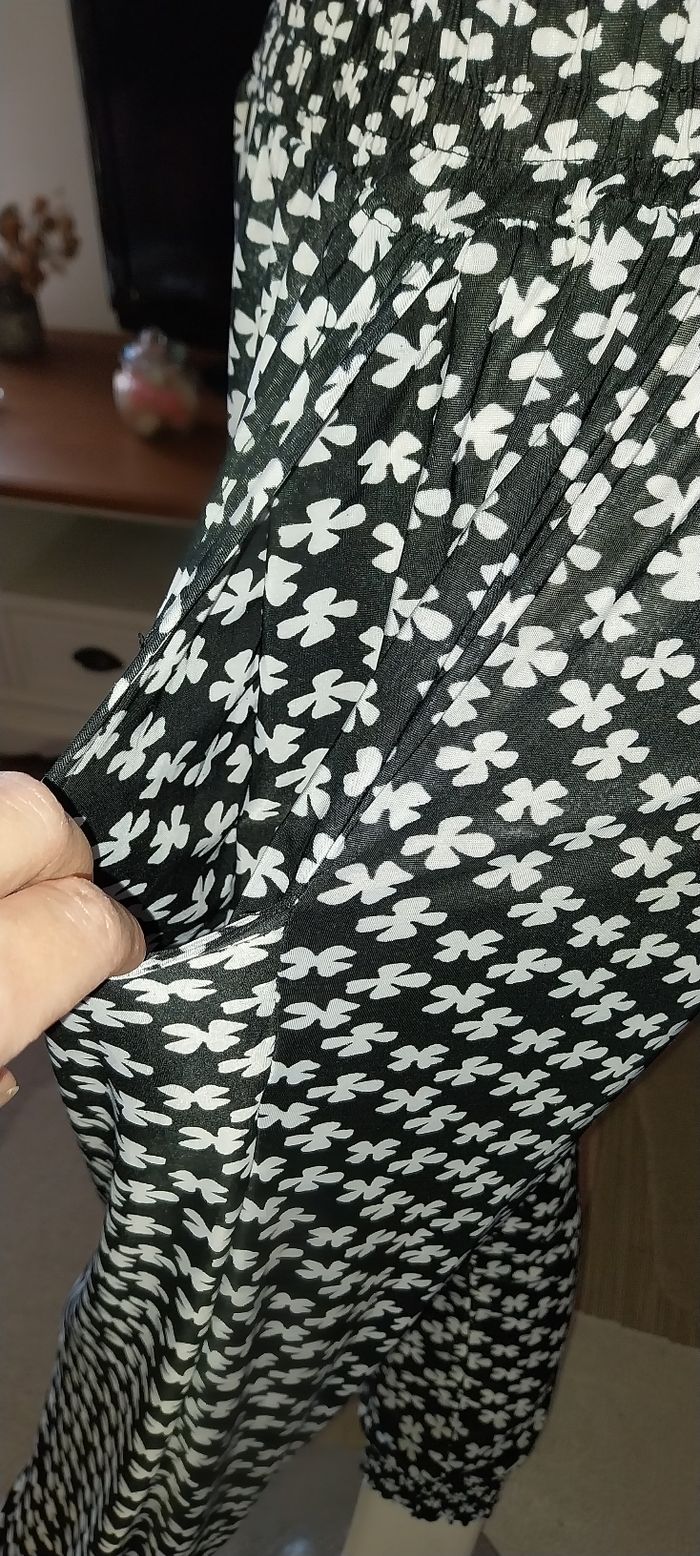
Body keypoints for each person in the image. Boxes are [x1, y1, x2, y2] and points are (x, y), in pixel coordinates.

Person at [2, 3, 699, 1554]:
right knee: (336, 1058)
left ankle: (410, 1513)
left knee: (378, 1075)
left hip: (632, 239)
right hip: (364, 143)